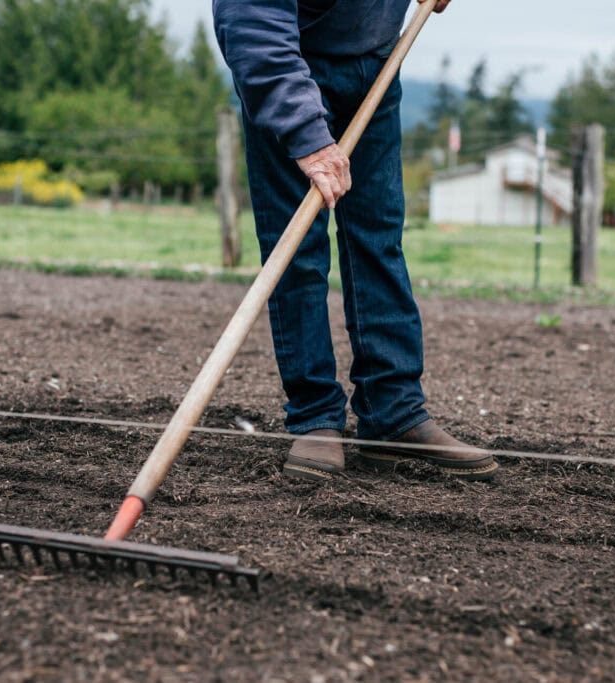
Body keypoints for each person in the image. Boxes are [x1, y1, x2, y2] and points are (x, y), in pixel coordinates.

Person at [212, 0, 497, 482]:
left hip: (375, 59)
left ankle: (394, 414)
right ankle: (316, 419)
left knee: (379, 239)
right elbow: (251, 21)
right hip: (288, 61)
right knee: (297, 251)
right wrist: (306, 134)